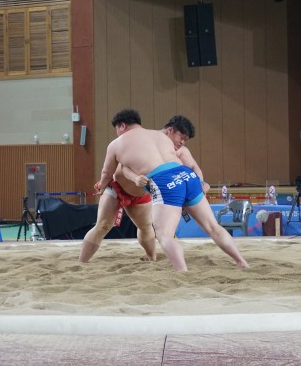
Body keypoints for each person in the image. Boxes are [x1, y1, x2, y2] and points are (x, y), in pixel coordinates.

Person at [96, 109, 249, 272]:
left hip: (164, 181)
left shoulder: (117, 144)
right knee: (213, 227)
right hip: (187, 176)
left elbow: (109, 172)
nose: (182, 142)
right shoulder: (160, 137)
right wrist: (201, 182)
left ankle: (182, 270)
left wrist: (102, 186)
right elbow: (192, 166)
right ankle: (241, 261)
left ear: (122, 126)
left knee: (164, 235)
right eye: (181, 137)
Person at [79, 115, 207, 263]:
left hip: (143, 192)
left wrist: (201, 182)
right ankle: (82, 262)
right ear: (171, 130)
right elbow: (122, 165)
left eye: (185, 140)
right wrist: (132, 178)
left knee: (146, 226)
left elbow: (193, 167)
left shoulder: (180, 150)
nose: (182, 143)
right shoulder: (147, 138)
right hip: (118, 186)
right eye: (181, 138)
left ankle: (152, 258)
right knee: (103, 225)